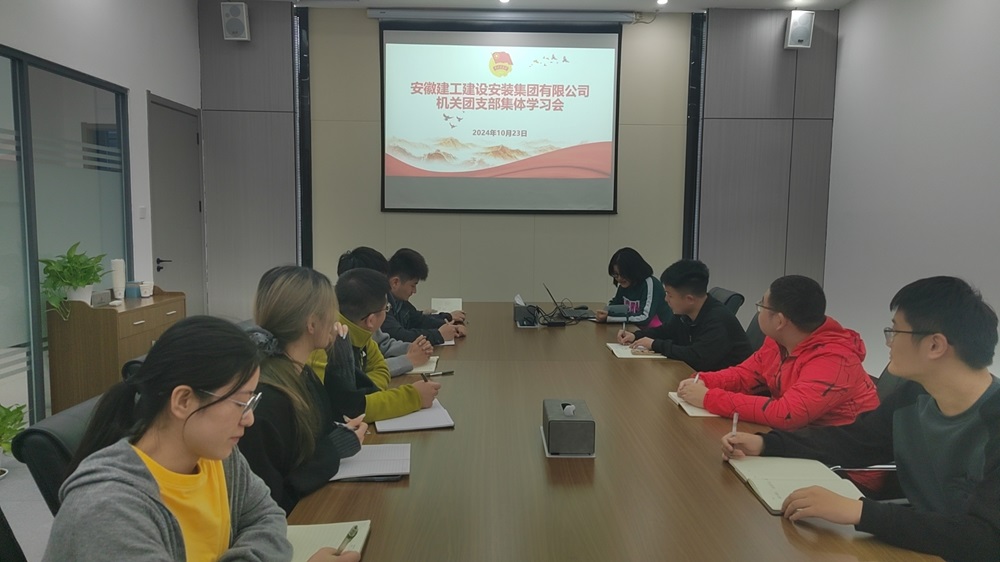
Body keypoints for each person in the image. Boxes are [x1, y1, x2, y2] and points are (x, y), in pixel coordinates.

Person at [722, 277, 1000, 562]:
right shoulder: (914, 396)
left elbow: (986, 538)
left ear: (935, 346)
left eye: (895, 330)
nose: (889, 342)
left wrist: (860, 511)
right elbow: (855, 440)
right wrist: (766, 443)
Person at [43, 315, 360, 562]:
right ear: (183, 401)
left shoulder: (217, 457)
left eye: (252, 402)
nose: (249, 419)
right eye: (241, 403)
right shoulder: (107, 510)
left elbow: (267, 516)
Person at [239, 266, 367, 514]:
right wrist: (334, 449)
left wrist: (340, 361)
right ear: (312, 323)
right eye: (331, 312)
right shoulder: (266, 399)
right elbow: (274, 498)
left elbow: (324, 428)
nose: (336, 321)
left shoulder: (301, 373)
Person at [677, 275, 878, 429]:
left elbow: (786, 414)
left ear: (780, 321)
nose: (759, 311)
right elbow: (745, 375)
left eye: (762, 305)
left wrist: (708, 398)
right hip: (802, 439)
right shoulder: (778, 342)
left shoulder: (834, 360)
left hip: (840, 458)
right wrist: (703, 380)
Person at [309, 267, 440, 421]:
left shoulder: (359, 331)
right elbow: (347, 410)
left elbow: (381, 368)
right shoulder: (324, 344)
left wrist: (361, 395)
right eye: (386, 308)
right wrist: (413, 397)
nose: (387, 312)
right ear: (371, 320)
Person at [617, 259, 752, 371]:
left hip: (731, 388)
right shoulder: (686, 312)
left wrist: (655, 344)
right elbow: (666, 331)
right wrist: (636, 336)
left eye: (670, 295)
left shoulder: (718, 320)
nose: (666, 299)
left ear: (689, 299)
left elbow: (697, 358)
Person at [337, 246, 433, 377]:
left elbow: (383, 345)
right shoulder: (336, 333)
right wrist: (408, 360)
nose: (385, 289)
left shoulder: (365, 315)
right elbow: (361, 375)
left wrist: (411, 349)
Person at [382, 248, 465, 345]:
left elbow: (417, 320)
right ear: (395, 282)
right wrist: (438, 335)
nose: (414, 291)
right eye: (413, 285)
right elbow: (399, 335)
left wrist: (449, 322)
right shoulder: (381, 304)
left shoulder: (398, 300)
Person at [594, 247, 672, 328]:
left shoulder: (650, 284)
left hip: (659, 330)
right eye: (616, 274)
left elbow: (645, 317)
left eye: (623, 274)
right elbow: (615, 305)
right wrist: (606, 312)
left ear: (633, 271)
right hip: (635, 329)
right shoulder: (625, 285)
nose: (619, 278)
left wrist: (610, 318)